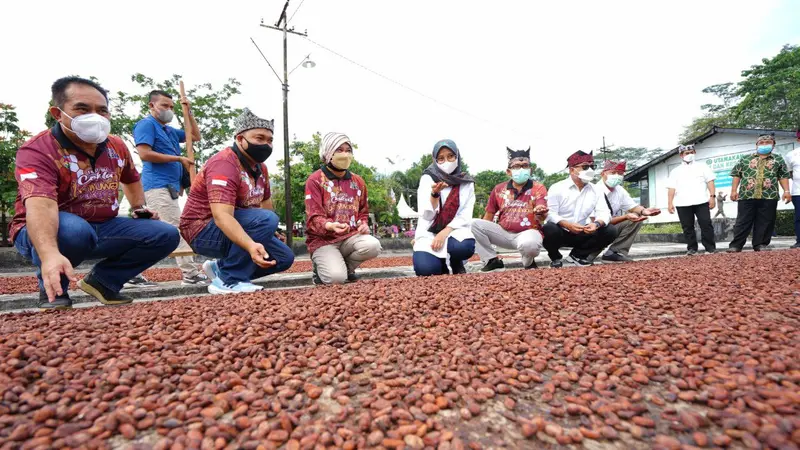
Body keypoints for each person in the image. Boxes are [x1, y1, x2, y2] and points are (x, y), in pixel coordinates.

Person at [11, 76, 179, 309]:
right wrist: (49, 254)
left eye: (102, 110)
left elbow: (131, 180)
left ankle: (104, 281)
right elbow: (41, 205)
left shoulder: (116, 145)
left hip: (102, 225)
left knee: (165, 234)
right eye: (82, 109)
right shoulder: (38, 150)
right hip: (48, 227)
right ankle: (54, 288)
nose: (95, 117)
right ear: (58, 113)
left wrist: (140, 208)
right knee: (74, 231)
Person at [179, 108, 294, 294]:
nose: (266, 144)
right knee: (266, 219)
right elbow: (222, 216)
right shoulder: (224, 163)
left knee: (283, 257)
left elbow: (265, 203)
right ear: (240, 139)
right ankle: (229, 279)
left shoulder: (260, 168)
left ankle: (219, 269)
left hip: (237, 224)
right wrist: (250, 245)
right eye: (259, 138)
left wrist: (271, 233)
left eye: (270, 140)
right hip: (202, 229)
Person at [131, 89, 207, 287]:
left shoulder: (170, 131)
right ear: (152, 106)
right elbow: (145, 154)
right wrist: (179, 158)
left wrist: (188, 112)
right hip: (156, 186)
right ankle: (190, 274)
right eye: (165, 106)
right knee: (175, 228)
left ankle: (131, 274)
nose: (169, 110)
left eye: (172, 107)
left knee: (152, 234)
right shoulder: (147, 125)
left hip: (169, 188)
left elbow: (195, 136)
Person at [305, 132, 382, 284]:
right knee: (336, 279)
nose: (345, 154)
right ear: (328, 152)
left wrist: (363, 224)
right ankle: (321, 269)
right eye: (339, 150)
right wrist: (330, 225)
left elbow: (362, 211)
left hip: (350, 238)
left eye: (348, 150)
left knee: (373, 245)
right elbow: (313, 216)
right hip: (324, 241)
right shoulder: (315, 180)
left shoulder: (358, 181)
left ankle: (345, 268)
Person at [471, 147, 548, 271]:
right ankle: (491, 260)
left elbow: (542, 214)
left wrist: (540, 212)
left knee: (530, 245)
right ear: (508, 171)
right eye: (517, 166)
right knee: (473, 224)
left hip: (527, 233)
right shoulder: (498, 189)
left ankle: (528, 262)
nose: (521, 169)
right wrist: (482, 237)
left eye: (525, 166)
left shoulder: (538, 188)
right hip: (503, 233)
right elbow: (489, 215)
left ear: (530, 169)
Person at [543, 150, 618, 267]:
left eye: (592, 167)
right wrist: (567, 225)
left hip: (583, 231)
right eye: (585, 167)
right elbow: (550, 213)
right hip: (562, 231)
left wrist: (596, 224)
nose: (590, 170)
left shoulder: (596, 189)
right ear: (572, 170)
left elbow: (605, 212)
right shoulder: (557, 188)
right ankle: (555, 258)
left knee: (610, 230)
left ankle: (577, 256)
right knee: (549, 228)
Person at [413, 139, 476, 276]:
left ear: (457, 156)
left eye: (450, 156)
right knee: (426, 270)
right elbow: (427, 215)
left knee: (463, 247)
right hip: (429, 233)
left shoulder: (466, 183)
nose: (446, 161)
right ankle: (441, 264)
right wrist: (434, 194)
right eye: (441, 158)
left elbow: (465, 214)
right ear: (435, 160)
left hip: (454, 231)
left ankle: (456, 260)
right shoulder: (428, 179)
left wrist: (445, 231)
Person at [727, 134, 791, 252]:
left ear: (773, 145)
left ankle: (760, 244)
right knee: (743, 221)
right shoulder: (745, 158)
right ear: (756, 145)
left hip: (769, 195)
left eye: (768, 142)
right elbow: (736, 175)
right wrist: (733, 191)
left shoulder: (778, 159)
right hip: (747, 195)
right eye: (762, 143)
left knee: (766, 220)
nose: (764, 145)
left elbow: (783, 176)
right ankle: (736, 245)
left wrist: (786, 191)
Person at [589, 160, 661, 262]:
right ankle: (586, 254)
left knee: (636, 218)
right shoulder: (594, 191)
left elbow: (632, 206)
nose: (617, 176)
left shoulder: (619, 190)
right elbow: (595, 223)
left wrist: (644, 211)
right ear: (603, 174)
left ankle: (614, 252)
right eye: (613, 173)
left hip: (608, 227)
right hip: (592, 228)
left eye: (620, 173)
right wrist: (625, 217)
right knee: (585, 259)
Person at [667, 145, 717, 255]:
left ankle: (710, 248)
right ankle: (692, 248)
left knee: (706, 224)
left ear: (694, 152)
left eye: (691, 152)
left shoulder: (703, 167)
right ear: (681, 155)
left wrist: (712, 197)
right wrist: (670, 203)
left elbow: (710, 182)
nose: (689, 155)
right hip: (683, 203)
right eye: (686, 153)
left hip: (702, 201)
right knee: (687, 227)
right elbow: (671, 188)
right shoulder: (675, 171)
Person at [784, 136, 800, 248]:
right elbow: (789, 173)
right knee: (799, 217)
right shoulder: (791, 155)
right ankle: (799, 241)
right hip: (798, 192)